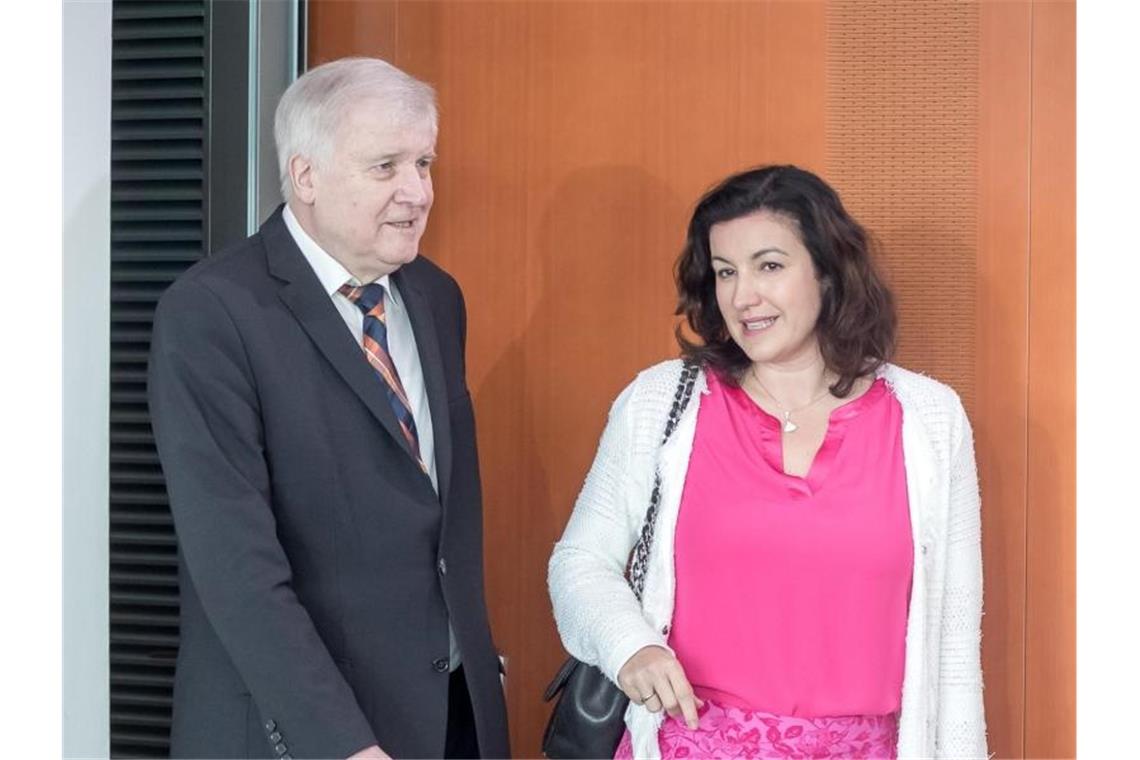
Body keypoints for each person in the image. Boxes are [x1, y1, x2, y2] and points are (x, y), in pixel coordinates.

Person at [548, 165, 986, 759]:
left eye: (769, 266)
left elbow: (955, 645)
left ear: (829, 273)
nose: (742, 296)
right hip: (691, 745)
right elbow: (580, 561)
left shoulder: (929, 421)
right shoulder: (662, 403)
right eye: (726, 272)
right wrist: (632, 647)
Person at [148, 57, 509, 759]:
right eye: (386, 167)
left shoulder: (436, 296)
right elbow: (237, 570)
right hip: (304, 734)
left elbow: (438, 517)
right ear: (305, 176)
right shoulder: (212, 313)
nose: (417, 191)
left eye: (425, 162)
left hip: (449, 721)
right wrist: (341, 745)